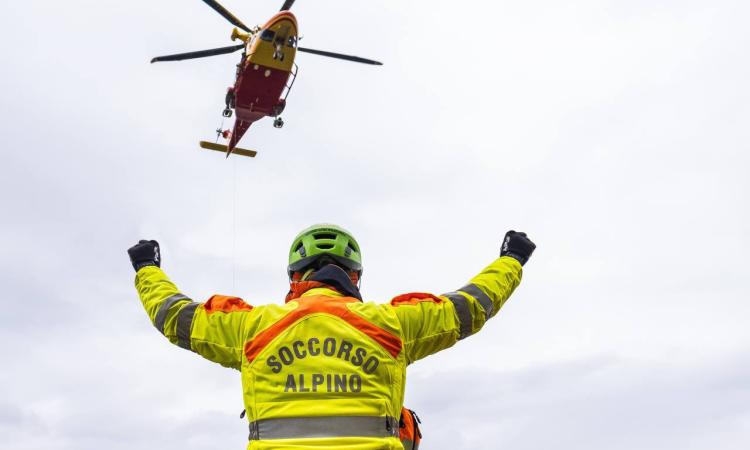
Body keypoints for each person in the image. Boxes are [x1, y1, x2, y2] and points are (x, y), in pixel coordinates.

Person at [128, 224, 535, 449]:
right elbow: (470, 307)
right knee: (405, 423)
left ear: (294, 278)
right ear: (354, 277)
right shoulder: (392, 324)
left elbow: (174, 317)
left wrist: (147, 267)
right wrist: (511, 260)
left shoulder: (253, 327)